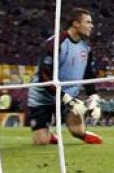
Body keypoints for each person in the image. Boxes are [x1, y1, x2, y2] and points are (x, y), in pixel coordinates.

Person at [27, 8, 103, 145]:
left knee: (77, 131)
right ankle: (48, 135)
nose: (92, 26)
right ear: (76, 24)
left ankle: (82, 133)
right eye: (88, 22)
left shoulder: (86, 46)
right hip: (43, 97)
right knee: (40, 142)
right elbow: (45, 76)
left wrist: (94, 97)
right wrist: (68, 99)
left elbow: (88, 73)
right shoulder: (55, 43)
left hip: (67, 98)